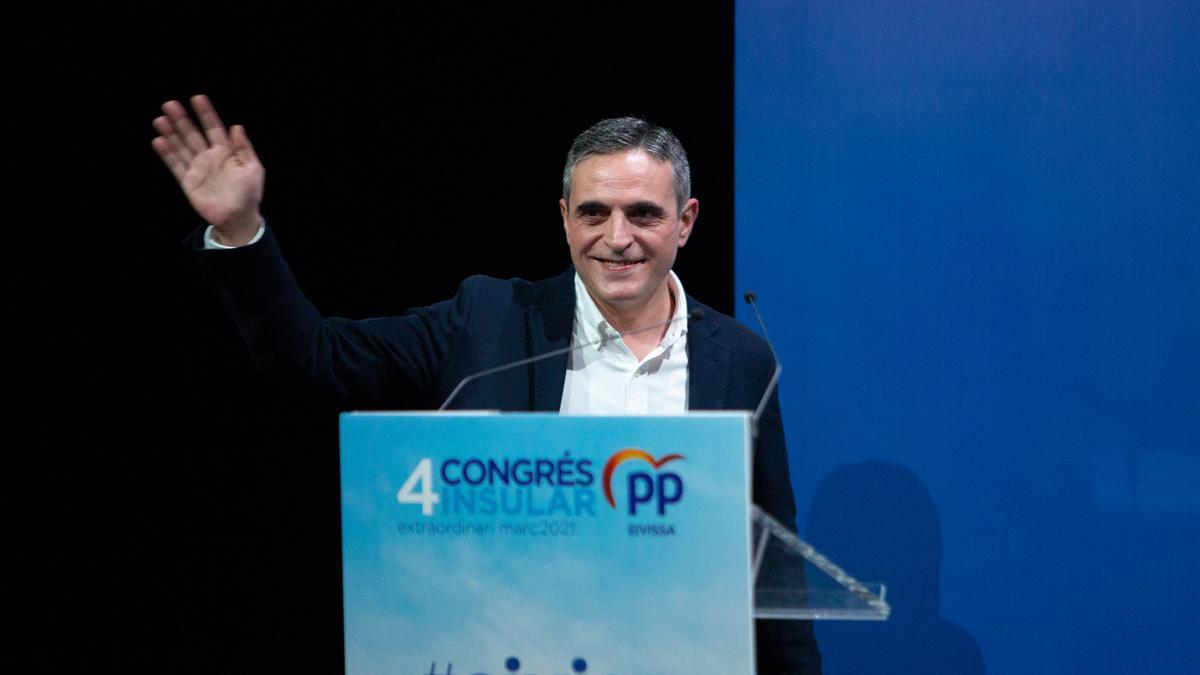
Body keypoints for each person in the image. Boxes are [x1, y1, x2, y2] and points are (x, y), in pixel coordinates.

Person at [153, 94, 822, 673]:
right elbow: (314, 357)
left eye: (643, 214)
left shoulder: (739, 357)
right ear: (564, 219)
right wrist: (240, 231)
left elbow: (777, 568)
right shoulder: (491, 317)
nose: (617, 238)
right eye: (594, 213)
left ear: (687, 220)